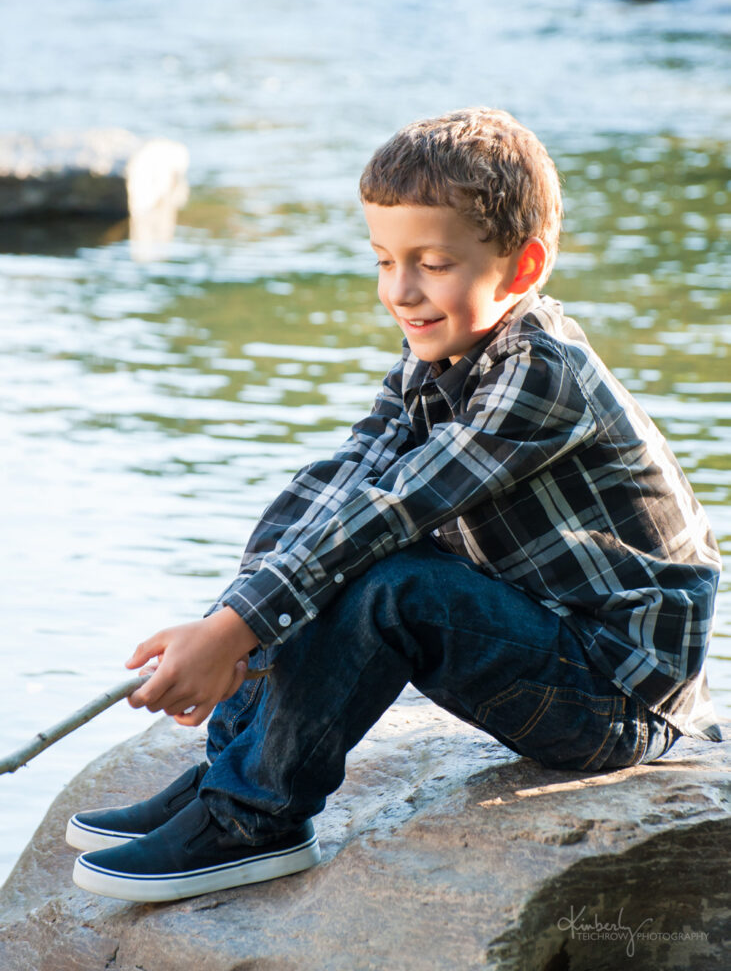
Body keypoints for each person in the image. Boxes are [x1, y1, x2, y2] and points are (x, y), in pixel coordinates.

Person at [66, 107, 722, 904]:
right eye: (383, 261)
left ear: (520, 270)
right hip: (543, 625)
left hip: (617, 694)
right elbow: (338, 489)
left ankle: (255, 821)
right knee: (315, 536)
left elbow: (393, 511)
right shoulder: (437, 356)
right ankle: (230, 772)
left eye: (432, 263)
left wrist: (236, 629)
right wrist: (227, 627)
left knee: (390, 582)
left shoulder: (541, 377)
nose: (400, 291)